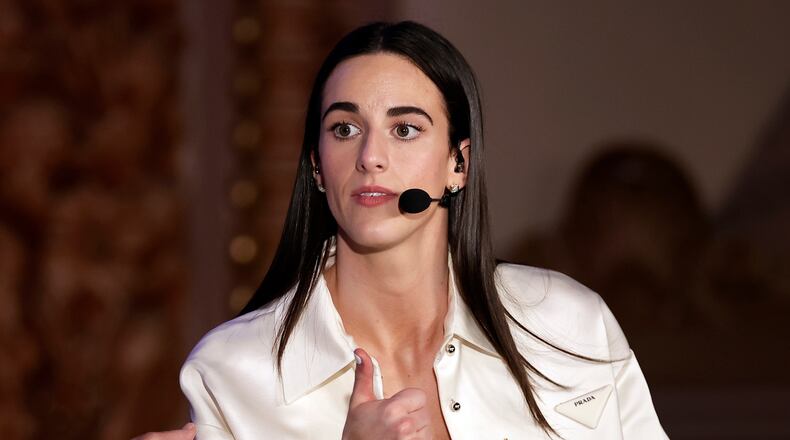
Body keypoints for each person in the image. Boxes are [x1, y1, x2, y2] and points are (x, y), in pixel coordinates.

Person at [136, 21, 667, 439]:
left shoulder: (571, 323)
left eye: (405, 129)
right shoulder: (232, 372)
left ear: (458, 164)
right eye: (344, 129)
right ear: (318, 166)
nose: (371, 157)